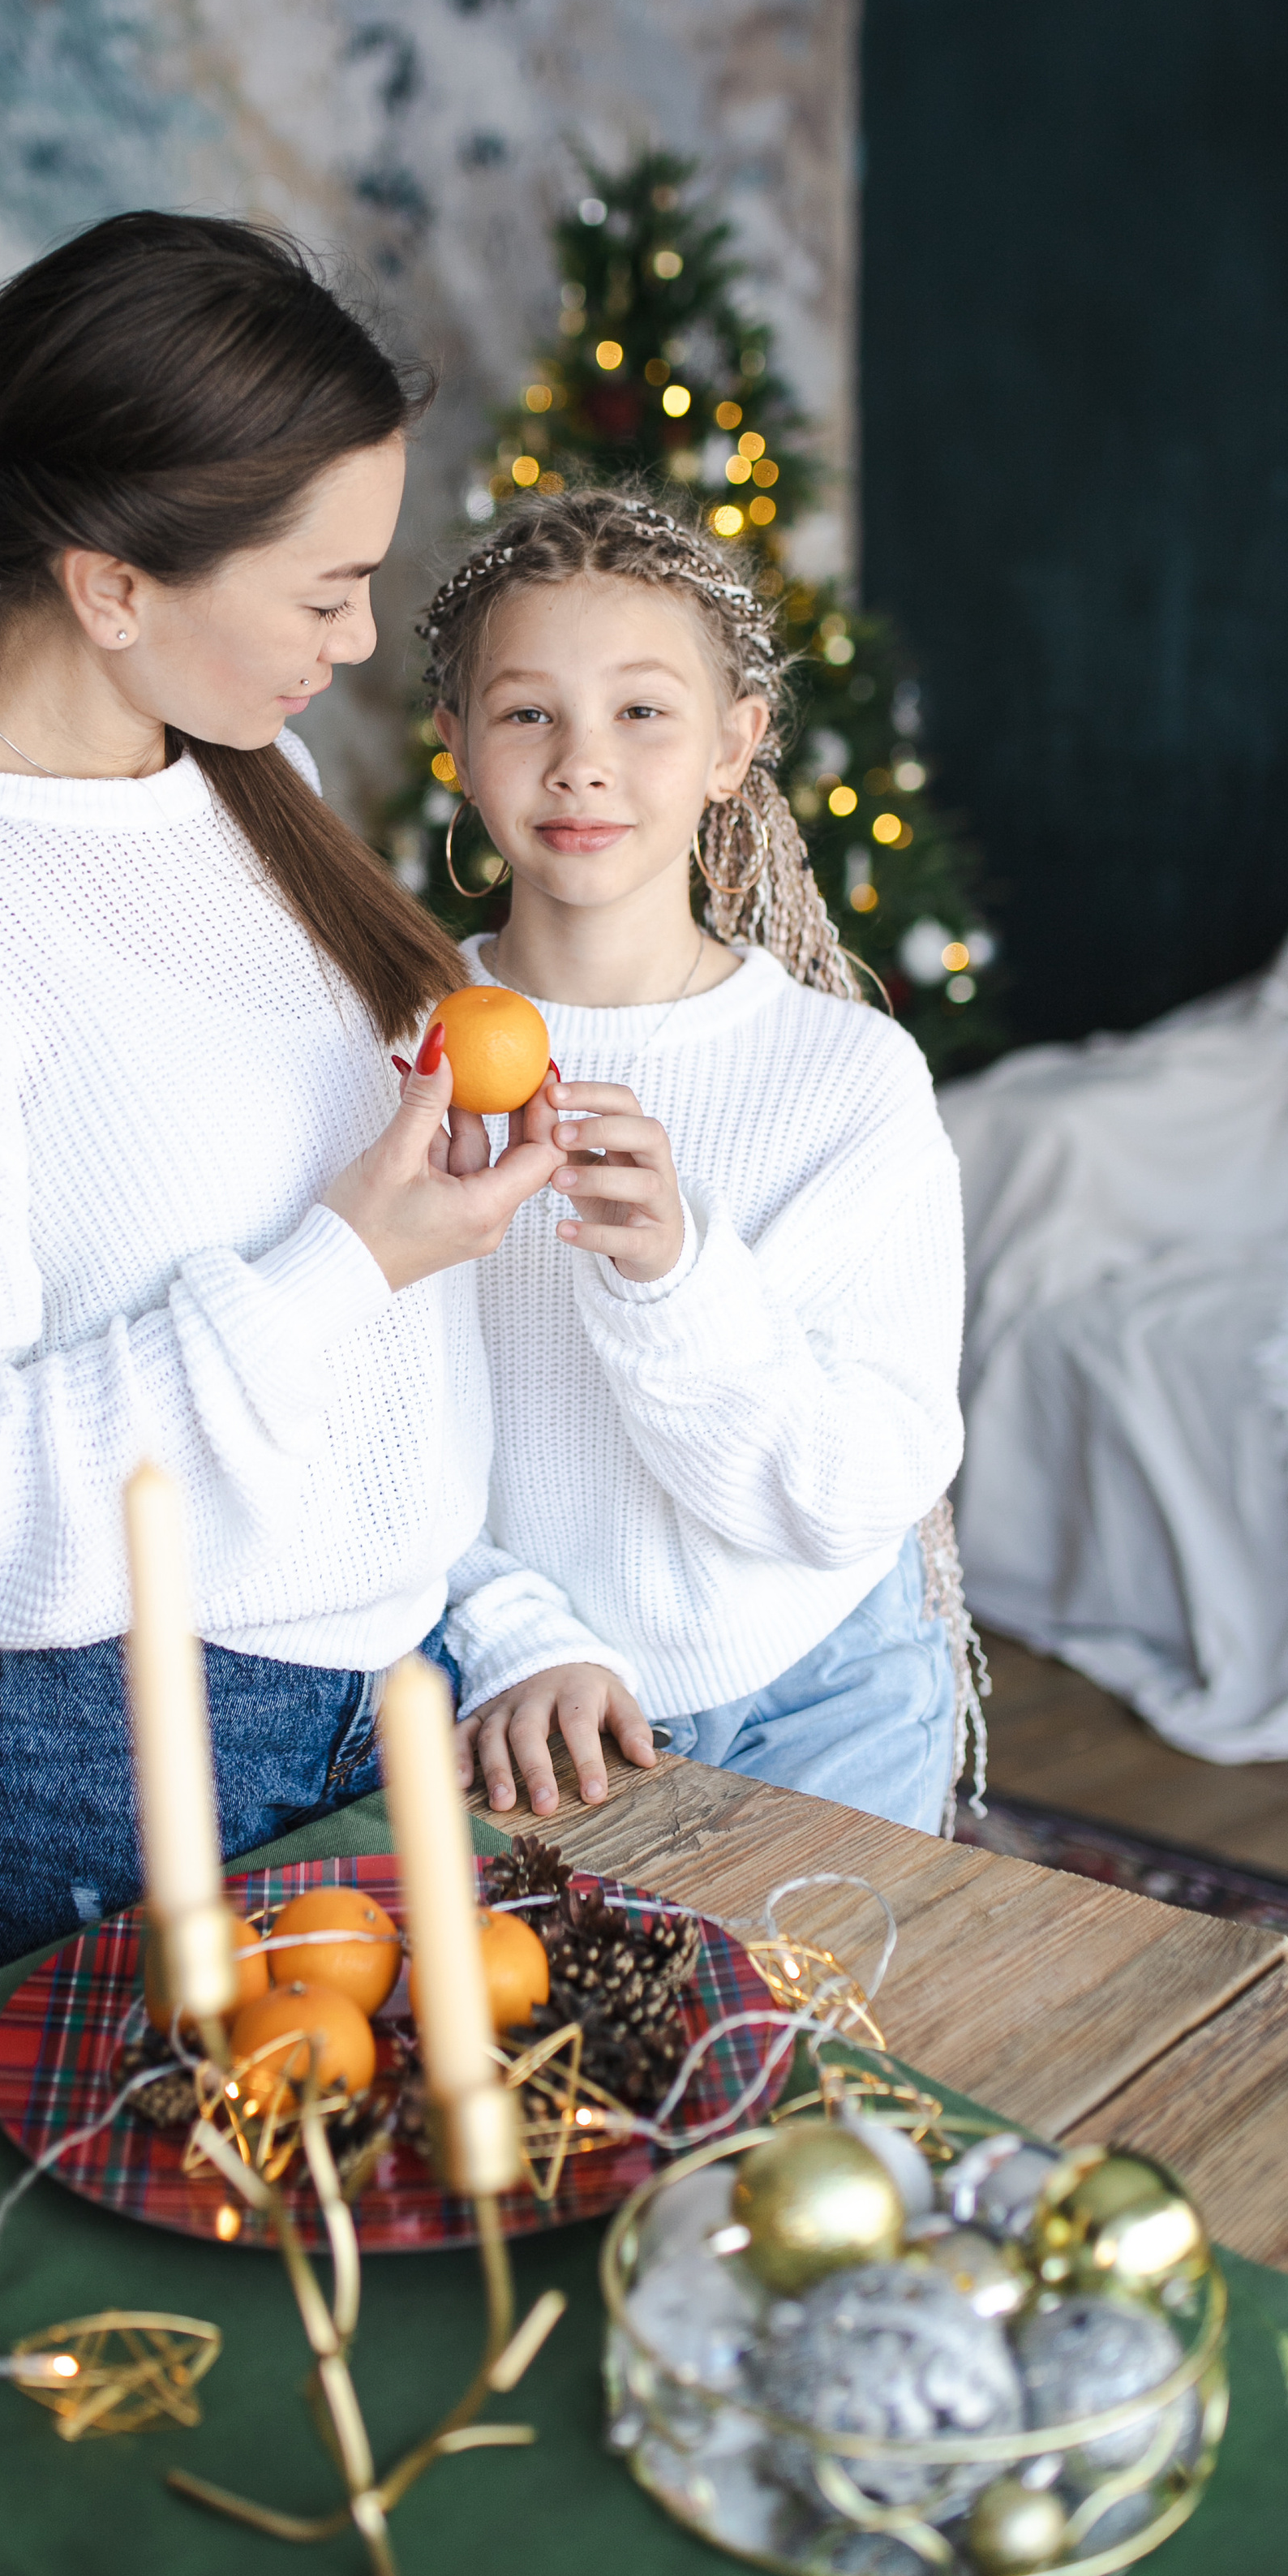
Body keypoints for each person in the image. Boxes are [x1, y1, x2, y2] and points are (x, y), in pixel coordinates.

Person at [0, 213, 619, 1990]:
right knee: (99, 2261)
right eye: (319, 590)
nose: (356, 644)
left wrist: (475, 1610)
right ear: (110, 583)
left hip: (374, 1691)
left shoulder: (239, 783)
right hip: (88, 1751)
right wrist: (342, 1261)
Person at [426, 488, 984, 1835]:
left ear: (736, 744)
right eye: (526, 713)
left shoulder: (847, 1080)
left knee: (822, 2048)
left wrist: (674, 1277)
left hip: (823, 1690)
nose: (581, 764)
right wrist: (508, 1633)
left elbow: (859, 1485)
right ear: (453, 744)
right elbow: (348, 1426)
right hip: (521, 1695)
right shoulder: (387, 1052)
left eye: (642, 711)